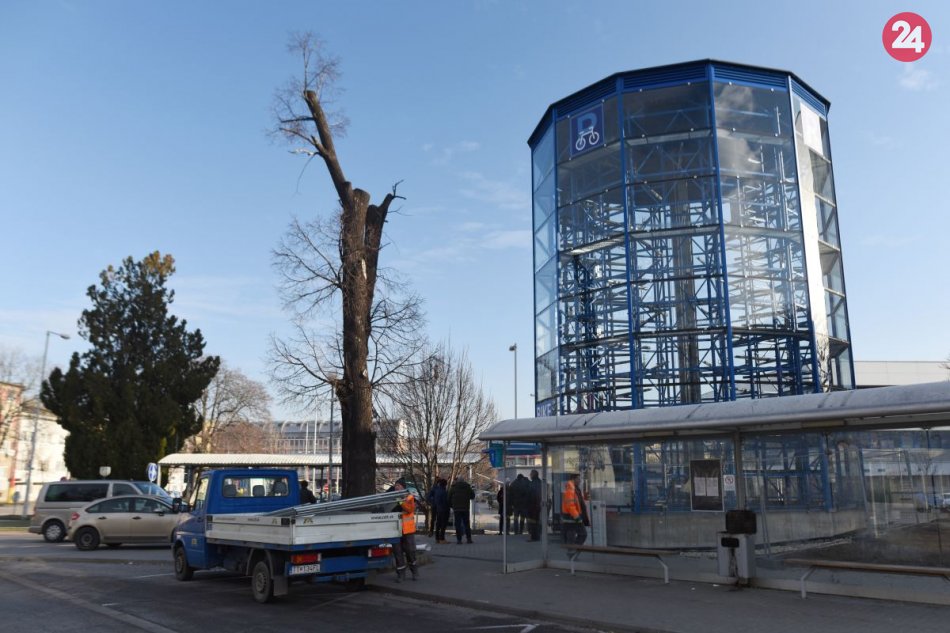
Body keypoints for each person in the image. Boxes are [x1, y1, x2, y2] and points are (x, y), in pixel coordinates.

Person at [391, 480, 419, 582]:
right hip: (396, 530)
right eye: (395, 486)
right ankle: (401, 575)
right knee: (397, 553)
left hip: (407, 530)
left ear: (403, 487)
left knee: (410, 551)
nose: (396, 487)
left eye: (398, 485)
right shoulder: (391, 498)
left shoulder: (409, 497)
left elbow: (409, 509)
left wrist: (400, 501)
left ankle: (414, 572)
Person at [561, 473, 589, 546]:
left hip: (574, 517)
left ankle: (573, 549)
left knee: (574, 535)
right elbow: (570, 505)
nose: (580, 480)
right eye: (578, 479)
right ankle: (573, 549)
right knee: (581, 534)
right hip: (572, 517)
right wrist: (577, 516)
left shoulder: (575, 489)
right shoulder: (570, 489)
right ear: (573, 479)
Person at [448, 475, 475, 544]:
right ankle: (469, 539)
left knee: (458, 524)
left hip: (456, 509)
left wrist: (452, 506)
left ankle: (459, 540)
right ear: (463, 480)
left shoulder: (453, 487)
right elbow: (473, 496)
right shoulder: (467, 487)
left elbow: (449, 498)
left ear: (457, 481)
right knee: (467, 524)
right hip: (465, 508)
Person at [426, 478, 450, 544]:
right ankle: (441, 538)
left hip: (438, 508)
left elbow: (429, 497)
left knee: (438, 523)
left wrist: (433, 502)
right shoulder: (443, 491)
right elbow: (446, 501)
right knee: (442, 524)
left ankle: (437, 537)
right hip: (442, 508)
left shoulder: (436, 490)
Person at [527, 469, 543, 541]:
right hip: (539, 505)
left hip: (532, 506)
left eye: (531, 474)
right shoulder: (540, 483)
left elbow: (530, 495)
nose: (530, 475)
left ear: (533, 475)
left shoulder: (532, 484)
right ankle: (537, 536)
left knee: (532, 522)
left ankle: (534, 537)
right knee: (537, 521)